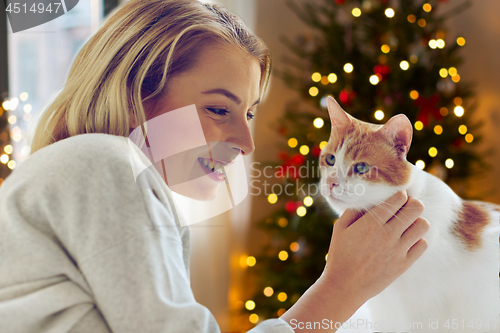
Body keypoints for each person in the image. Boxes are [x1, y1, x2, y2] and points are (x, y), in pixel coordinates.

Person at [0, 0, 429, 332]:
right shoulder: (100, 164)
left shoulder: (89, 178)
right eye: (219, 109)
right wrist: (341, 288)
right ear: (137, 91)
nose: (246, 144)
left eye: (249, 114)